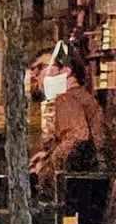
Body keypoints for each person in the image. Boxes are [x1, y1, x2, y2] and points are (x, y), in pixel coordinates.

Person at [33, 52, 104, 183]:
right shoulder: (82, 97)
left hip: (80, 185)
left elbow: (77, 137)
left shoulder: (67, 98)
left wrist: (47, 166)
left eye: (40, 67)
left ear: (66, 70)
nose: (35, 74)